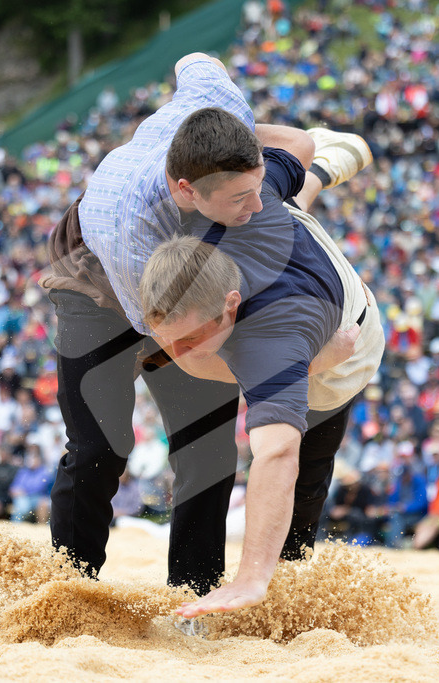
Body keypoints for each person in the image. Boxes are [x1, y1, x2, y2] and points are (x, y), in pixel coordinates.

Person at [42, 51, 369, 596]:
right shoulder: (132, 231)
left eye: (255, 188)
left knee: (209, 446)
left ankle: (194, 596)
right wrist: (310, 362)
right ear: (186, 189)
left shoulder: (217, 106)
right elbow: (184, 347)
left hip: (198, 257)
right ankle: (69, 592)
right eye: (240, 197)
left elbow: (196, 57)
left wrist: (243, 133)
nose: (256, 206)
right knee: (100, 442)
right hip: (96, 282)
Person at [138, 113, 382, 614]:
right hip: (281, 231)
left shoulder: (275, 338)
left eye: (190, 340)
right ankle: (320, 171)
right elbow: (293, 142)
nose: (175, 354)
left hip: (344, 345)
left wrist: (250, 578)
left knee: (310, 464)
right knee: (279, 202)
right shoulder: (229, 202)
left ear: (230, 307)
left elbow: (274, 456)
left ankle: (280, 586)